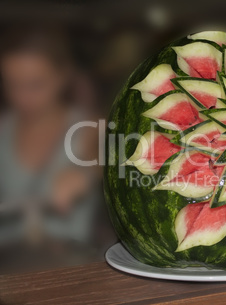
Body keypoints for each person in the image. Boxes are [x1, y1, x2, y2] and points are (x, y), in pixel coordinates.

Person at [0, 25, 111, 272]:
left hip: (69, 270)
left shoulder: (91, 126)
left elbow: (105, 158)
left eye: (35, 84)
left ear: (63, 76)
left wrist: (86, 173)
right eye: (12, 84)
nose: (22, 96)